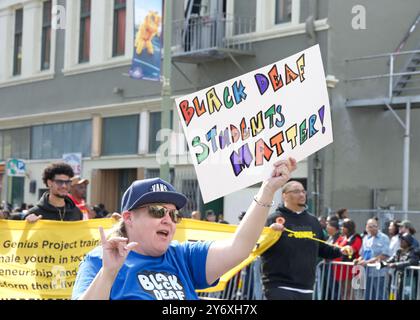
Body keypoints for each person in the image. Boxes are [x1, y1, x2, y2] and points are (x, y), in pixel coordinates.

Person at [71, 158, 297, 300]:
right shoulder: (100, 260)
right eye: (158, 211)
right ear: (129, 218)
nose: (168, 219)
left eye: (174, 214)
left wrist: (267, 190)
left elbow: (239, 248)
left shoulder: (182, 255)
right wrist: (108, 274)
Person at [261, 181, 352, 300]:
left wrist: (340, 250)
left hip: (306, 287)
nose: (302, 194)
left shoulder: (313, 221)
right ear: (284, 195)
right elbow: (259, 246)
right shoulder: (273, 219)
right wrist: (269, 234)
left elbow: (323, 249)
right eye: (296, 191)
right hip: (279, 285)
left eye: (303, 191)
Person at [354, 218, 390, 300]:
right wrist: (358, 260)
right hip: (367, 273)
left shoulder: (384, 238)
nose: (372, 228)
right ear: (366, 228)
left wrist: (367, 262)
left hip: (379, 272)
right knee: (368, 296)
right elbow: (362, 254)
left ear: (378, 227)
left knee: (381, 296)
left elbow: (385, 255)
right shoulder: (366, 238)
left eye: (375, 226)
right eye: (370, 227)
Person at [332, 218, 362, 300]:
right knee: (342, 291)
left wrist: (347, 249)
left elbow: (353, 250)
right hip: (339, 269)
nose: (341, 228)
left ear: (349, 228)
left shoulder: (356, 238)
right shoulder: (341, 238)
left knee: (348, 291)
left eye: (343, 227)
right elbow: (334, 247)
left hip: (348, 270)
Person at [385, 233, 420, 300]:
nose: (401, 241)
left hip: (408, 279)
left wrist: (396, 264)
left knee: (406, 297)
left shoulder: (414, 251)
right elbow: (391, 259)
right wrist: (383, 263)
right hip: (397, 278)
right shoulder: (398, 251)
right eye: (400, 239)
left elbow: (411, 262)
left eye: (403, 240)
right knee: (394, 296)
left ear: (408, 242)